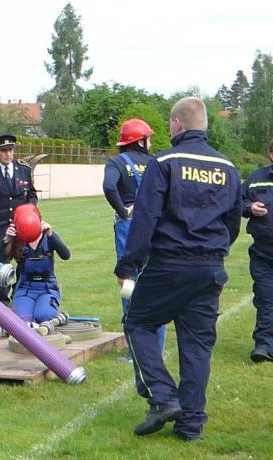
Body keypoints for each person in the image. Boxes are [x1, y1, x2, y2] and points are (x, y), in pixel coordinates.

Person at [115, 97, 242, 441]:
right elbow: (233, 224)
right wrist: (214, 251)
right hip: (210, 267)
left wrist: (127, 265)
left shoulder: (165, 161)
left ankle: (163, 396)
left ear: (177, 124)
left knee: (138, 323)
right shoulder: (228, 167)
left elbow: (145, 219)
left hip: (169, 264)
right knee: (197, 345)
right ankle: (191, 425)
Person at [103, 119, 166, 357]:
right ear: (141, 140)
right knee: (155, 287)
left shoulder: (116, 162)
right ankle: (156, 347)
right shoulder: (156, 162)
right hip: (154, 229)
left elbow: (109, 187)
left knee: (128, 283)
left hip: (127, 230)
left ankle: (135, 351)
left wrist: (122, 210)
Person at [0, 134, 37, 306]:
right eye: (4, 151)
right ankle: (2, 301)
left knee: (24, 263)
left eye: (10, 150)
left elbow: (32, 194)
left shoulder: (24, 169)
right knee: (0, 266)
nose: (8, 154)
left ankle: (18, 296)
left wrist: (31, 211)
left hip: (22, 226)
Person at [0, 204, 70, 323]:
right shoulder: (16, 240)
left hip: (47, 287)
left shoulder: (47, 238)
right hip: (25, 288)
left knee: (43, 316)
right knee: (22, 321)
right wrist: (6, 240)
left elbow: (66, 255)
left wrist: (51, 234)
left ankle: (50, 312)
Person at [241, 139, 273, 363]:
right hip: (263, 251)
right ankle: (264, 345)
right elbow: (237, 202)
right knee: (265, 298)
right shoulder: (255, 179)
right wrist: (249, 208)